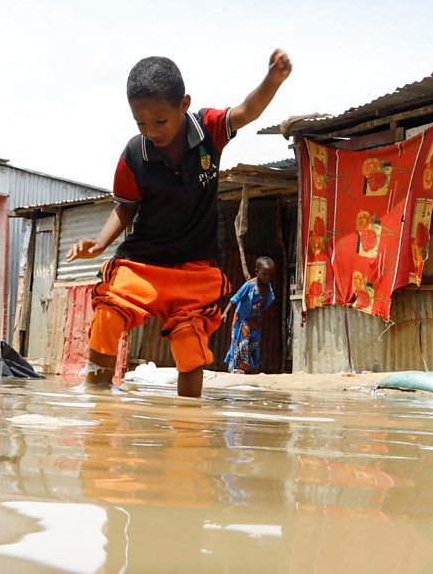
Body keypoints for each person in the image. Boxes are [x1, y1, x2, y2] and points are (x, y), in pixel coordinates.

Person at [67, 50, 292, 398]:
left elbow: (248, 110)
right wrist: (98, 244)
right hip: (142, 264)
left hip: (195, 267)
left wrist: (272, 80)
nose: (151, 131)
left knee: (189, 345)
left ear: (183, 104)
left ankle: (189, 424)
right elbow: (125, 208)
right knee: (108, 315)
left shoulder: (209, 130)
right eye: (140, 123)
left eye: (160, 121)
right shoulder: (134, 154)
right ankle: (97, 403)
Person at [222, 257, 276, 374]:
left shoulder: (268, 287)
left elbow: (267, 301)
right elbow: (235, 298)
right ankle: (238, 368)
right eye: (264, 274)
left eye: (269, 275)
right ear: (257, 272)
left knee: (254, 343)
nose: (267, 277)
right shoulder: (249, 285)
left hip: (254, 319)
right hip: (241, 318)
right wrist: (225, 313)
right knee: (242, 342)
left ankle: (251, 367)